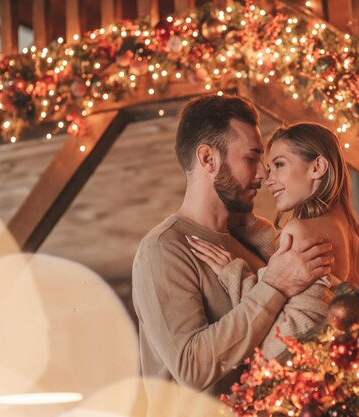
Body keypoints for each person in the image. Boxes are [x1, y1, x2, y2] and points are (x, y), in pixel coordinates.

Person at [132, 95, 335, 395]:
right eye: (251, 159)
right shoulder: (163, 249)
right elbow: (192, 367)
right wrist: (274, 287)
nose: (264, 174)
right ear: (208, 159)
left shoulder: (253, 242)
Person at [187, 122, 359, 357]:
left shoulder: (300, 231)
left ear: (318, 166)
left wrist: (233, 274)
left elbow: (285, 338)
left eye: (279, 165)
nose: (268, 178)